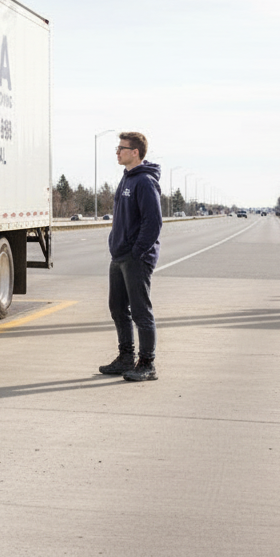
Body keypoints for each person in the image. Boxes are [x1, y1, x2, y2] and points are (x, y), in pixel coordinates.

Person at [99, 131, 162, 382]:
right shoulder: (126, 179)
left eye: (121, 148)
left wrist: (137, 252)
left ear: (135, 152)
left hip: (135, 258)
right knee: (117, 308)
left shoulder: (145, 182)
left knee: (140, 312)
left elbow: (153, 222)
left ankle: (147, 364)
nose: (117, 152)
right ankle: (126, 357)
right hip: (119, 255)